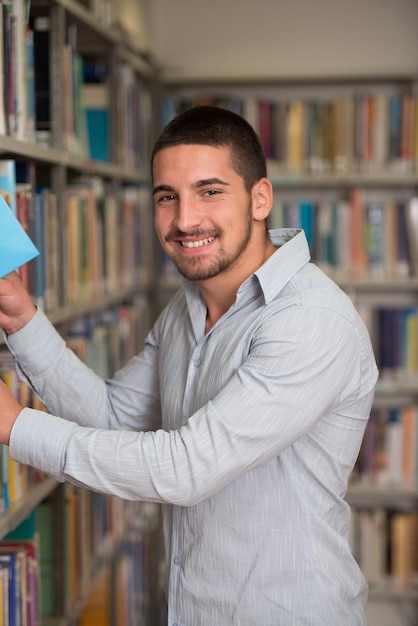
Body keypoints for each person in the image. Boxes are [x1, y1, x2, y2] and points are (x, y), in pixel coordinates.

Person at [0, 105, 378, 625]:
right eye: (166, 197)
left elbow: (187, 468)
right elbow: (111, 417)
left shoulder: (310, 320)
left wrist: (18, 427)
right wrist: (22, 319)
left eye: (210, 191)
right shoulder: (186, 309)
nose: (184, 220)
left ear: (260, 198)